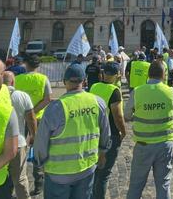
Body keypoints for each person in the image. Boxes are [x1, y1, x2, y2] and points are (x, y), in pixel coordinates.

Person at [35, 64, 109, 199]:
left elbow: (41, 141)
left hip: (58, 172)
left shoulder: (55, 107)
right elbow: (105, 133)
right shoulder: (98, 102)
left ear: (64, 82)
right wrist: (103, 152)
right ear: (84, 81)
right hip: (86, 167)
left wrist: (40, 162)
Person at [125, 60, 173, 199]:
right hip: (165, 144)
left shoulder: (137, 91)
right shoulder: (170, 91)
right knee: (164, 185)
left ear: (148, 74)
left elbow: (127, 115)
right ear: (163, 74)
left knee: (136, 185)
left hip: (143, 145)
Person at [13, 55, 51, 194]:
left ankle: (15, 177)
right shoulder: (43, 79)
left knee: (17, 148)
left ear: (25, 64)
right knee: (38, 150)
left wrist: (27, 113)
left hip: (20, 119)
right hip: (38, 119)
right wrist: (33, 112)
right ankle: (39, 182)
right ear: (38, 65)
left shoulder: (17, 79)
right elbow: (48, 99)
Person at [90, 61, 127, 199]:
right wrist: (123, 132)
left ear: (103, 73)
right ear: (118, 75)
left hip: (95, 131)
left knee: (94, 169)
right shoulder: (114, 91)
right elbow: (118, 116)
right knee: (104, 173)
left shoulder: (94, 86)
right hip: (110, 133)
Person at [2, 72, 36, 199]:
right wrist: (33, 136)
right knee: (20, 178)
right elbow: (31, 119)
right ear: (13, 82)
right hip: (18, 142)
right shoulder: (22, 96)